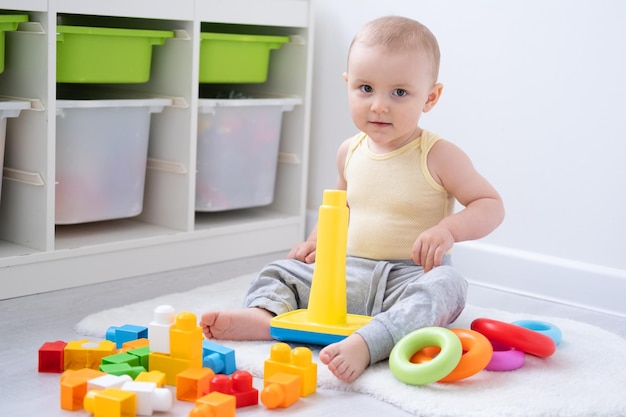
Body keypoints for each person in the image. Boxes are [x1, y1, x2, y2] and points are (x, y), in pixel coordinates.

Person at [200, 15, 505, 383]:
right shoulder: (350, 151)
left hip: (406, 279)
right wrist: (314, 244)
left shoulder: (438, 155)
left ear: (431, 97)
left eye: (399, 92)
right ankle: (268, 318)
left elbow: (489, 204)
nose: (379, 105)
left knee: (447, 286)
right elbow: (339, 207)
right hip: (345, 274)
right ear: (348, 85)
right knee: (280, 271)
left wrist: (448, 230)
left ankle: (370, 341)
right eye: (365, 88)